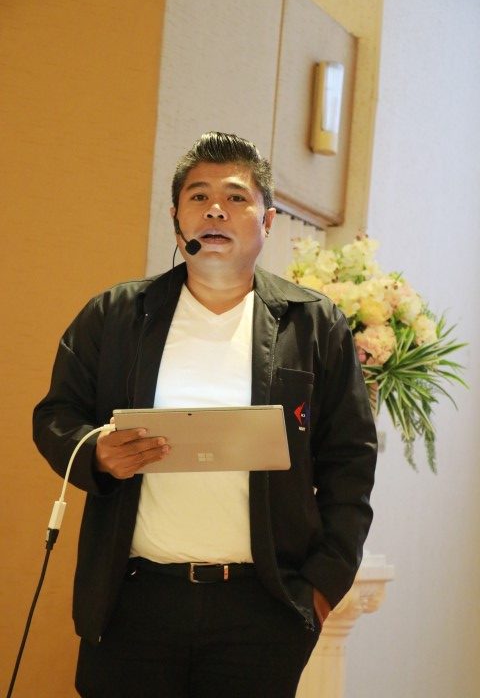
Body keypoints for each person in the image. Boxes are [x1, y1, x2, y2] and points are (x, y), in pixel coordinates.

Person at [33, 131, 377, 698]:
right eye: (198, 196)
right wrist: (95, 451)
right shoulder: (117, 316)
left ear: (267, 222)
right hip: (134, 600)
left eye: (236, 197)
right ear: (176, 220)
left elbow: (350, 463)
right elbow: (56, 415)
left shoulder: (313, 324)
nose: (215, 209)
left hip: (262, 607)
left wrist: (320, 589)